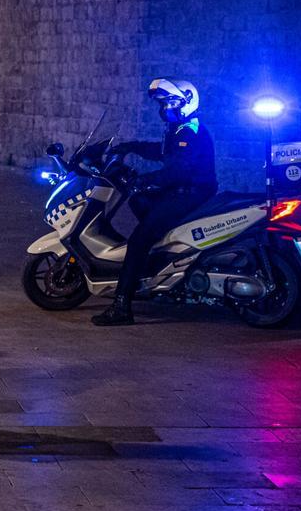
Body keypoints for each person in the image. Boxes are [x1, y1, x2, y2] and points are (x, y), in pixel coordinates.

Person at [92, 78, 217, 326]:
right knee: (138, 201)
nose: (165, 108)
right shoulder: (180, 128)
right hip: (182, 190)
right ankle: (164, 267)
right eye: (162, 103)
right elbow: (162, 152)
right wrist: (129, 147)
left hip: (189, 192)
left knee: (139, 239)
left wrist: (142, 179)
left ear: (187, 102)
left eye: (171, 102)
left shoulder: (189, 132)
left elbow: (177, 172)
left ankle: (122, 306)